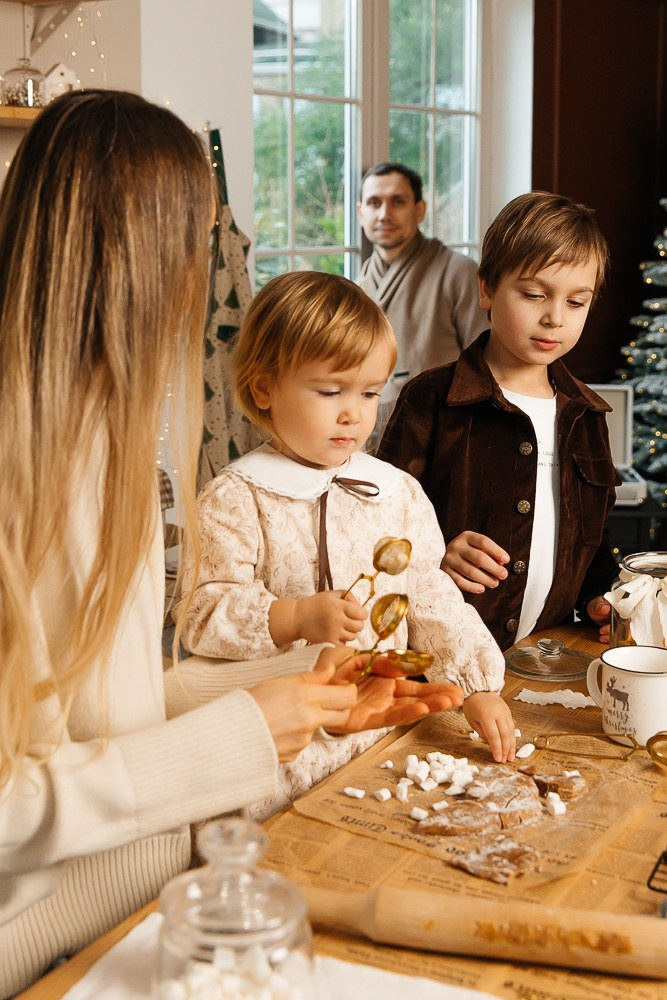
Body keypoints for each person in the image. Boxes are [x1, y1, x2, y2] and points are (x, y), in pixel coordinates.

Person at [0, 91, 461, 998]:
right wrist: (244, 732)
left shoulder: (101, 443)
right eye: (199, 247)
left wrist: (292, 693)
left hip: (117, 895)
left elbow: (103, 713)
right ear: (143, 263)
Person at [176, 269, 515, 809]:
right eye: (330, 390)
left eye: (370, 392)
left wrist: (477, 686)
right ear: (265, 387)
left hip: (379, 739)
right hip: (279, 748)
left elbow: (429, 595)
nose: (353, 413)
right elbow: (201, 610)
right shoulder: (236, 498)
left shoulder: (396, 491)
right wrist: (293, 617)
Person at [378, 191, 619, 652]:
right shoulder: (431, 399)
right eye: (534, 294)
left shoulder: (588, 417)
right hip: (437, 657)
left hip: (539, 659)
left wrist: (597, 599)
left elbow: (590, 543)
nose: (554, 318)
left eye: (576, 302)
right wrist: (437, 553)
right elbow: (375, 526)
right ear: (487, 288)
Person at [356, 162, 488, 442]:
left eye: (397, 202)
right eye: (374, 203)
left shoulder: (458, 271)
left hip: (444, 429)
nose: (384, 214)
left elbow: (486, 364)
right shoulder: (360, 282)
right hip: (371, 428)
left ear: (419, 210)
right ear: (360, 213)